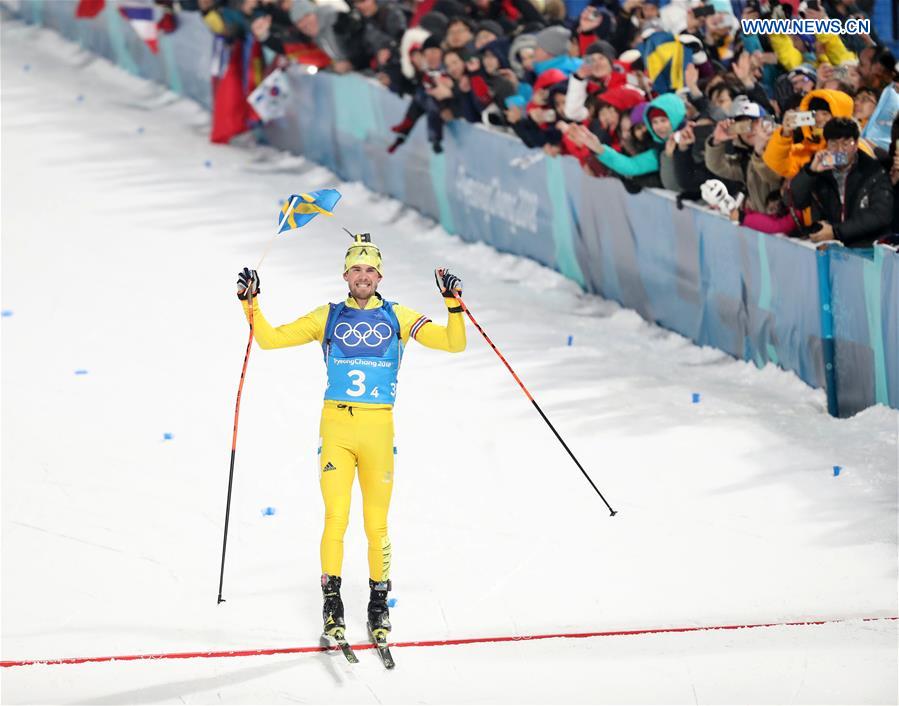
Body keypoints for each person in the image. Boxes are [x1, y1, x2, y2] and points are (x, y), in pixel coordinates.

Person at [235, 234, 466, 642]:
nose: (363, 276)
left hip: (378, 429)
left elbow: (454, 343)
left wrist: (453, 303)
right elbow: (270, 340)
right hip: (337, 427)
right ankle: (333, 605)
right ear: (345, 274)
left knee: (376, 525)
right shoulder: (329, 316)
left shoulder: (398, 316)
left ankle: (378, 606)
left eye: (370, 269)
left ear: (380, 275)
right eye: (356, 269)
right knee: (336, 518)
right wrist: (250, 302)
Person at [789, 117, 894, 247]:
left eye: (845, 143)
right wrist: (811, 172)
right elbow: (797, 201)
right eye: (833, 143)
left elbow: (880, 215)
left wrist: (836, 231)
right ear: (827, 145)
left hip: (866, 249)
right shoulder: (819, 169)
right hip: (830, 248)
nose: (840, 150)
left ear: (855, 145)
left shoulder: (874, 172)